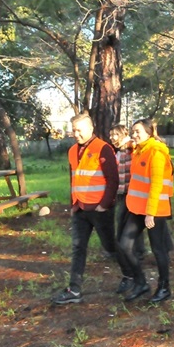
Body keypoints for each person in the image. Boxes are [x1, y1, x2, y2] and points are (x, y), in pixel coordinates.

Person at [52, 113, 124, 305]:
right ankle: (74, 289)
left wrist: (104, 205)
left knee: (110, 247)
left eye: (79, 130)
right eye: (73, 130)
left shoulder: (104, 149)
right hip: (81, 209)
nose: (76, 134)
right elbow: (74, 179)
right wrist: (73, 204)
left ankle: (132, 276)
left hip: (100, 210)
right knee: (78, 247)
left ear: (91, 129)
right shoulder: (72, 151)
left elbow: (113, 180)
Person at [117, 118, 174, 303]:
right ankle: (141, 283)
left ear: (149, 133)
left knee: (158, 250)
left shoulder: (156, 152)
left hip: (154, 209)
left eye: (138, 132)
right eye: (132, 131)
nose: (134, 135)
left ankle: (164, 287)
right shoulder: (138, 150)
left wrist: (150, 213)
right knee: (124, 244)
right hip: (137, 208)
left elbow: (157, 184)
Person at [110, 124, 146, 290]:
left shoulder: (131, 147)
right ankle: (137, 251)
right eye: (110, 135)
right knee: (131, 225)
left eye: (114, 135)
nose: (112, 138)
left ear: (122, 134)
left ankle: (131, 258)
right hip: (122, 194)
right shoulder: (119, 151)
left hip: (131, 194)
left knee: (124, 227)